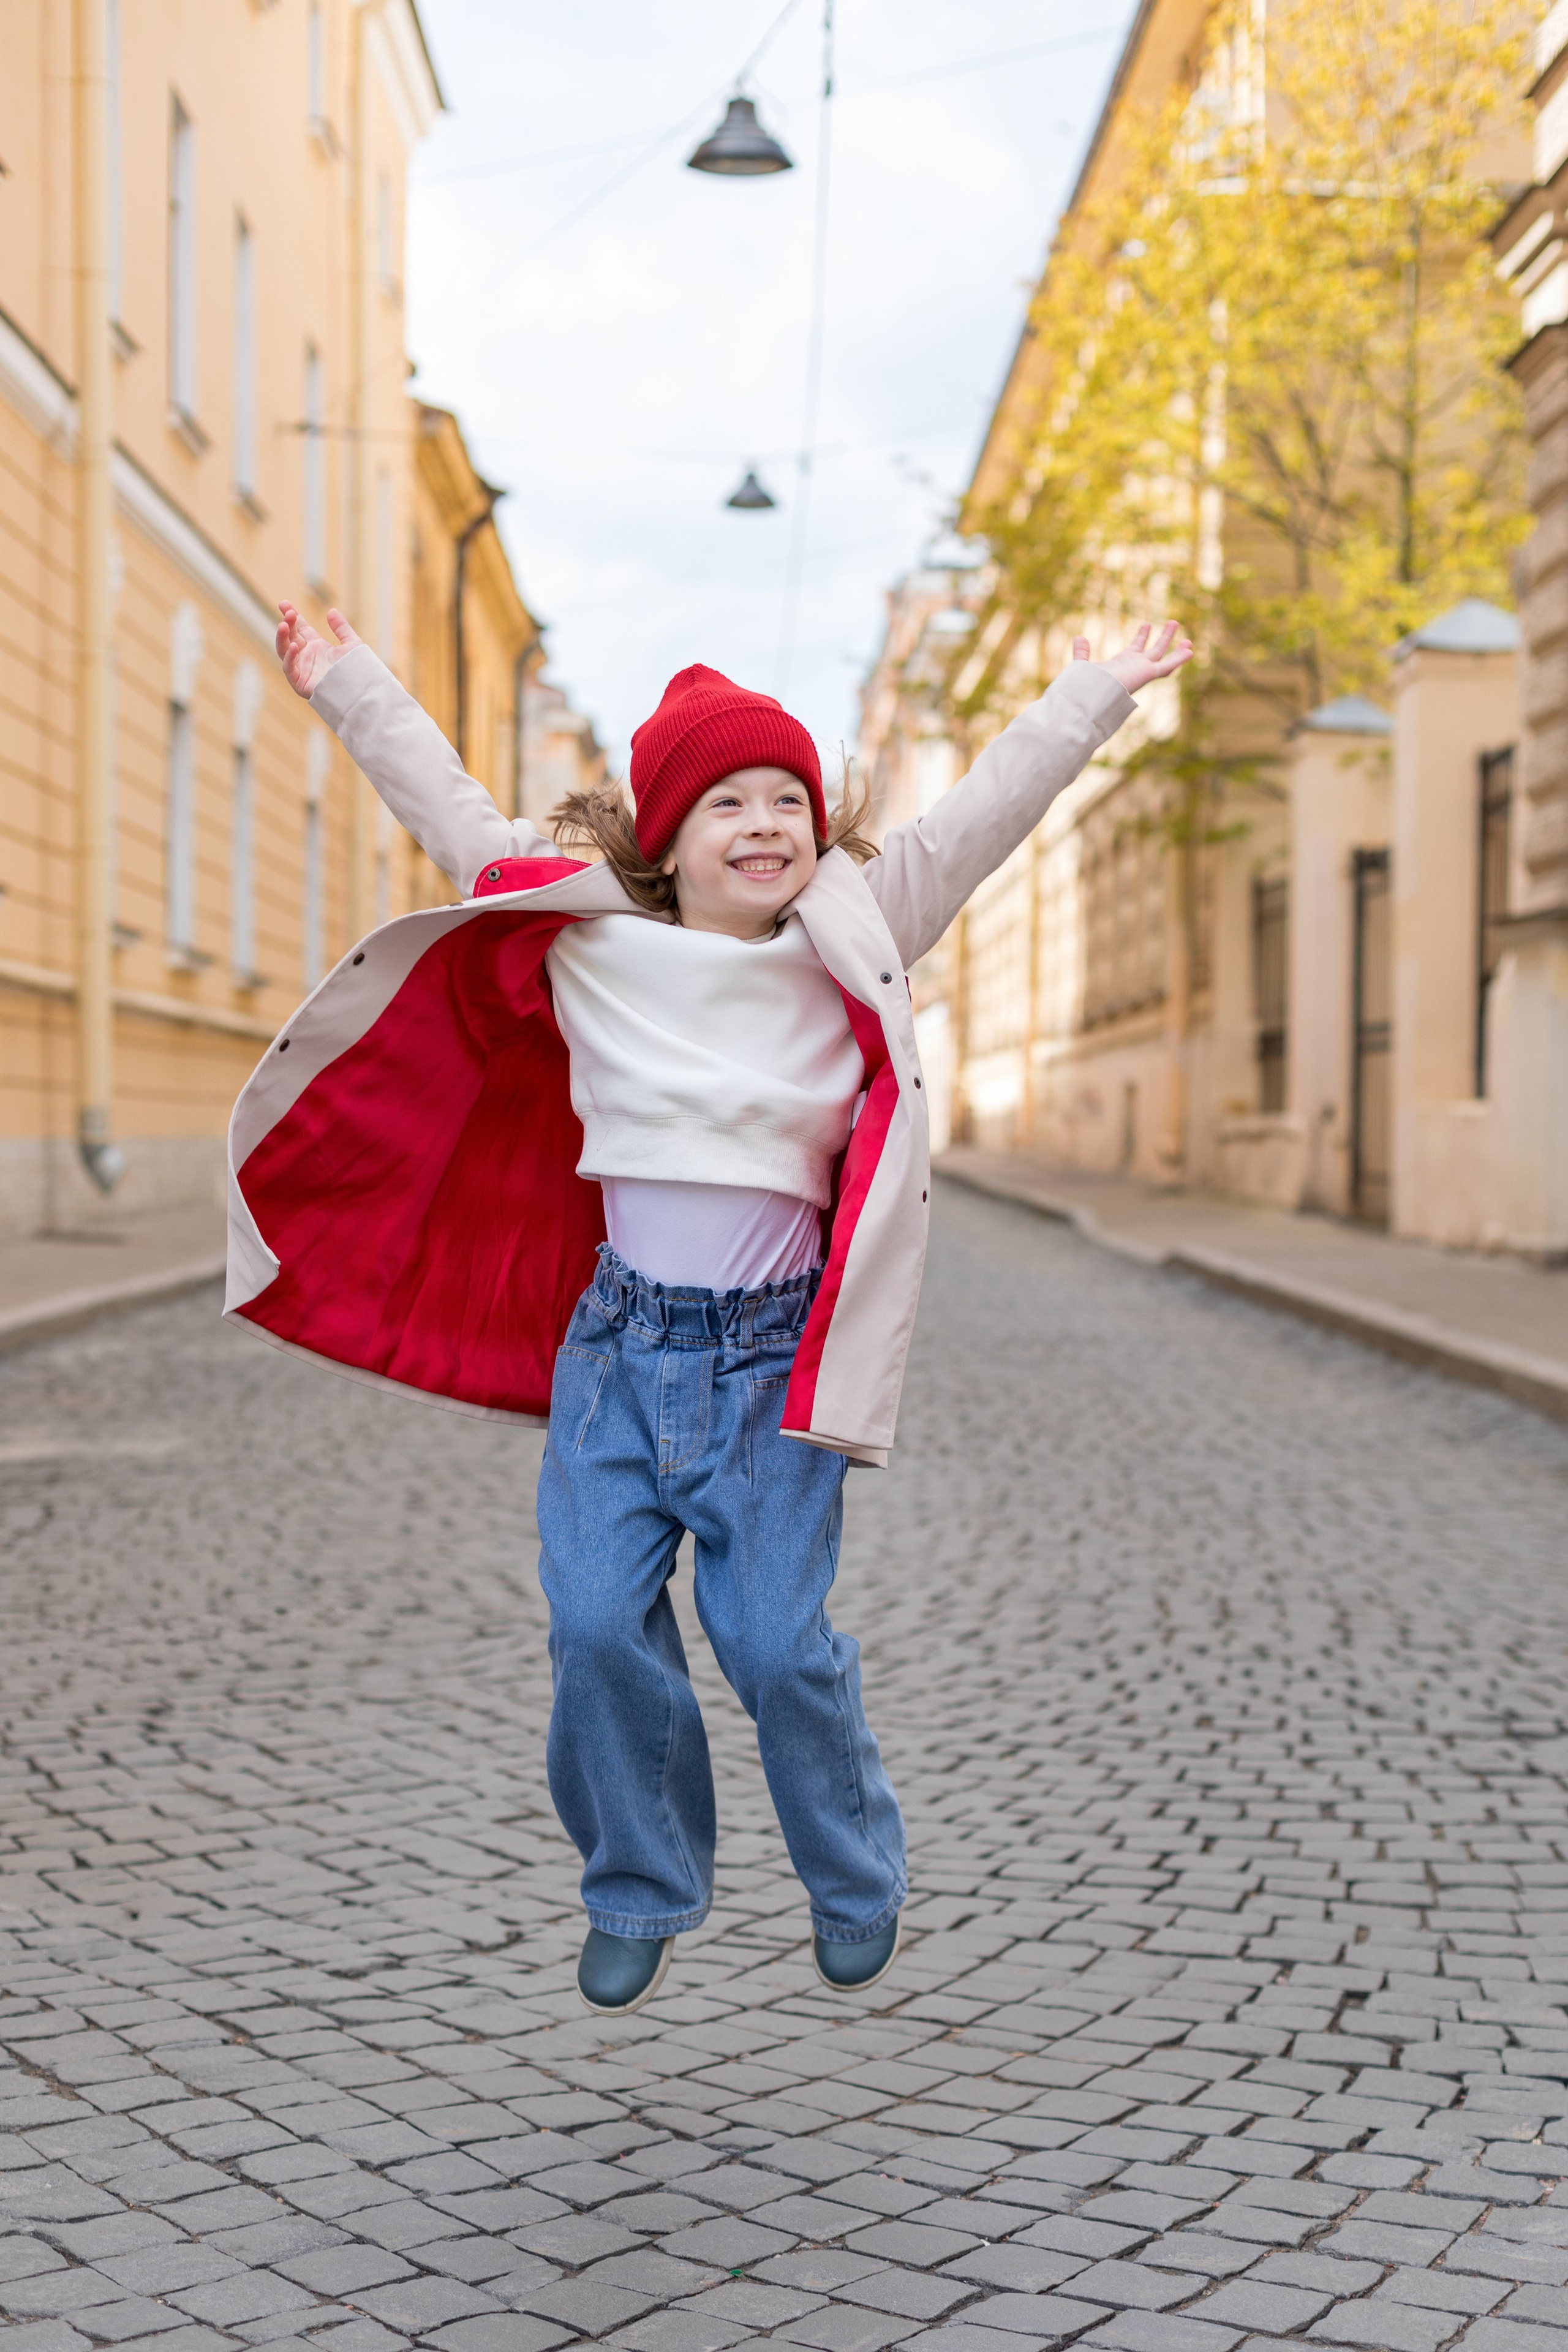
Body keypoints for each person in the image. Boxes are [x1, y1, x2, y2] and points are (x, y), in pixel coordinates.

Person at [235, 603, 1191, 2016]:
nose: (764, 822)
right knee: (593, 1629)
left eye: (788, 798)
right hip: (619, 1353)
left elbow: (985, 812)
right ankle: (638, 1883)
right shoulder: (585, 933)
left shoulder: (856, 927)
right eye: (726, 802)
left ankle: (853, 1875)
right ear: (663, 841)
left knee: (772, 1644)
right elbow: (447, 805)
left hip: (766, 1369)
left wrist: (1094, 689)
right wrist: (343, 679)